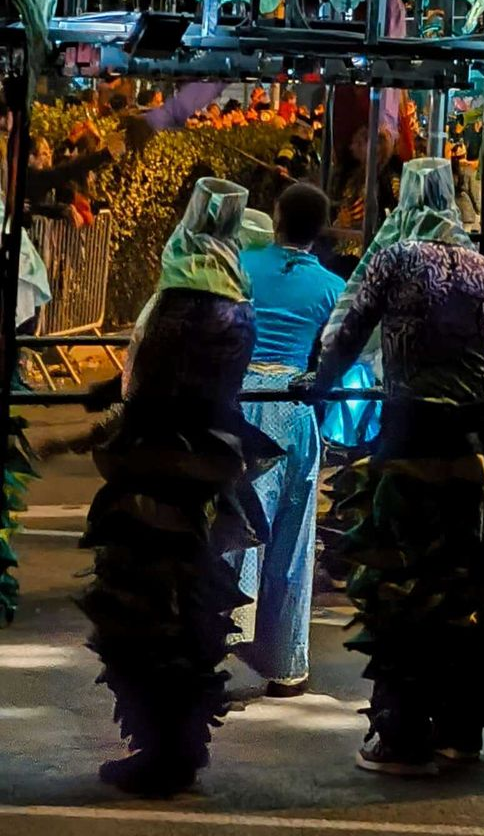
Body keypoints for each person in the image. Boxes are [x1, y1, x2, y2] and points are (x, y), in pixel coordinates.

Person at [302, 157, 484, 775]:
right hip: (471, 442)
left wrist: (319, 386)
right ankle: (463, 726)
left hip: (408, 433)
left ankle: (401, 734)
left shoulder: (395, 258)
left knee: (401, 579)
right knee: (463, 579)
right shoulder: (481, 267)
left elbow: (349, 334)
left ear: (405, 200)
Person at [75, 178, 275, 795]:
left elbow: (150, 386)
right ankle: (181, 746)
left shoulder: (180, 299)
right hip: (208, 472)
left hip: (155, 475)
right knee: (193, 606)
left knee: (143, 612)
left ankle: (159, 752)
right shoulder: (237, 301)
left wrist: (112, 411)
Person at [232, 182, 345, 699]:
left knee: (227, 531)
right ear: (320, 229)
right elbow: (345, 353)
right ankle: (283, 664)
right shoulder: (329, 286)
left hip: (235, 403)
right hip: (293, 408)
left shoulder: (244, 266)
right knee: (291, 540)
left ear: (274, 217)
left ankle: (214, 643)